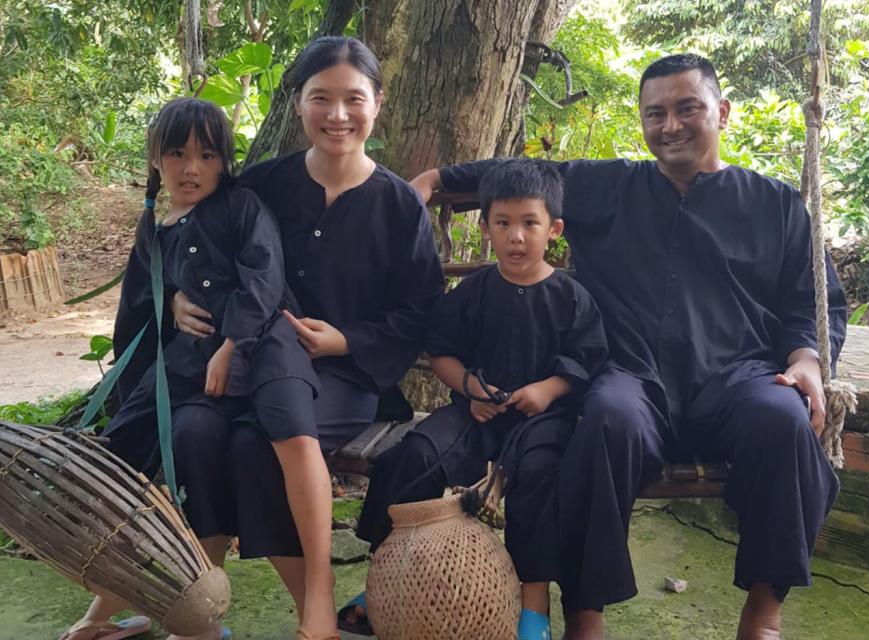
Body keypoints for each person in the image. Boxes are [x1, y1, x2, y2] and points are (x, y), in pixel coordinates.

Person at [409, 54, 847, 640]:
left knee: (785, 419)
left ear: (722, 111)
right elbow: (518, 173)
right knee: (605, 419)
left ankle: (763, 612)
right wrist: (438, 179)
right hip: (634, 376)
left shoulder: (776, 205)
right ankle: (585, 614)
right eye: (655, 113)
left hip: (738, 378)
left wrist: (805, 361)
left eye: (687, 108)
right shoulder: (608, 186)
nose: (670, 125)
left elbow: (810, 305)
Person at [168, 36, 444, 640]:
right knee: (195, 434)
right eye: (321, 98)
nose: (337, 115)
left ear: (378, 102)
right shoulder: (263, 185)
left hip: (345, 377)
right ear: (298, 103)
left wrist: (344, 341)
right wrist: (178, 296)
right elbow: (201, 251)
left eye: (353, 99)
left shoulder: (399, 206)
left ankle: (311, 613)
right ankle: (195, 602)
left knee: (252, 446)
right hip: (248, 364)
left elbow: (420, 311)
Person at [61, 97, 341, 640]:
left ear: (224, 162)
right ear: (155, 160)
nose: (192, 168)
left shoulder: (241, 208)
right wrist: (168, 302)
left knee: (253, 450)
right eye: (177, 154)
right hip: (193, 382)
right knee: (162, 448)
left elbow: (265, 276)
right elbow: (137, 309)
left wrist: (232, 341)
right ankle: (188, 617)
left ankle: (314, 605)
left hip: (260, 358)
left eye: (207, 156)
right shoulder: (154, 229)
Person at [348, 158, 607, 640]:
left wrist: (547, 389)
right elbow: (442, 353)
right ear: (485, 227)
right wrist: (468, 387)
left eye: (530, 223)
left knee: (539, 476)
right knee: (414, 455)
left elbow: (586, 362)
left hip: (541, 421)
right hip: (475, 413)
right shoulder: (472, 293)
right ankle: (381, 577)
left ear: (554, 230)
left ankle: (534, 610)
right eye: (503, 223)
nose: (516, 237)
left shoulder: (571, 297)